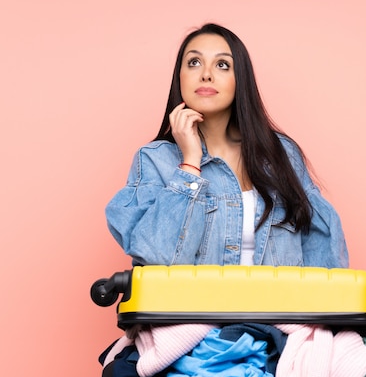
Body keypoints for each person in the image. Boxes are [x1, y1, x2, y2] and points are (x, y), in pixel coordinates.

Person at [105, 23, 348, 268]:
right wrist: (190, 163)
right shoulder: (155, 161)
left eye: (222, 65)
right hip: (191, 307)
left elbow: (324, 260)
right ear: (179, 77)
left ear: (240, 79)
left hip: (277, 307)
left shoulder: (282, 155)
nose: (206, 74)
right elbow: (158, 259)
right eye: (194, 63)